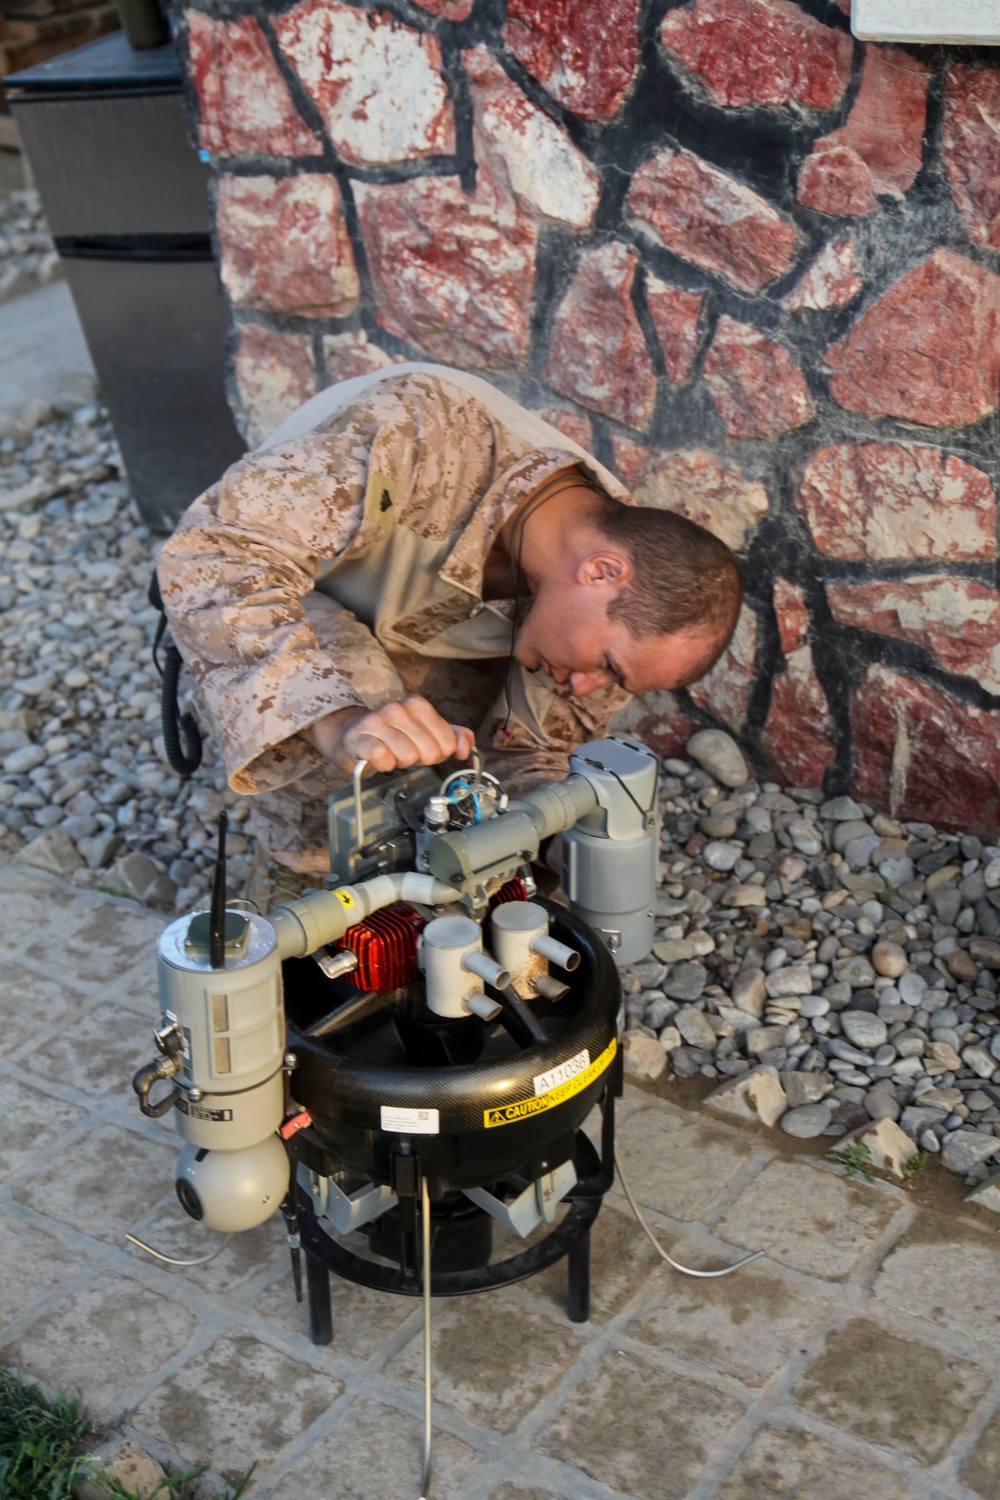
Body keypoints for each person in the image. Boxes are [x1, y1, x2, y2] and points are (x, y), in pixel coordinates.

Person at [157, 362, 742, 884]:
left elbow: (532, 747)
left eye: (617, 683)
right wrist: (336, 721)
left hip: (408, 630)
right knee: (364, 723)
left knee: (449, 768)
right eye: (608, 666)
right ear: (601, 571)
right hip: (283, 603)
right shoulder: (419, 430)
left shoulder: (597, 582)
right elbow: (211, 554)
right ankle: (300, 876)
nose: (590, 688)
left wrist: (571, 833)